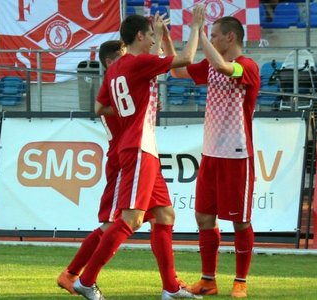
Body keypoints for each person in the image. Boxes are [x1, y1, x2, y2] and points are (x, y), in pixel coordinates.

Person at [72, 6, 206, 300]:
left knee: (164, 214)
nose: (150, 41)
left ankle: (170, 287)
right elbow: (185, 59)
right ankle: (86, 280)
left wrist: (159, 35)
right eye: (148, 36)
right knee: (130, 219)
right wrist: (196, 28)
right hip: (139, 146)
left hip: (140, 146)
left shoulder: (116, 69)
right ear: (138, 36)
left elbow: (100, 107)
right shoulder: (135, 63)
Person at [171, 16, 260, 298]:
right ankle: (208, 280)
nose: (213, 39)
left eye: (216, 35)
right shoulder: (210, 65)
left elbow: (223, 66)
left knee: (240, 221)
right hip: (210, 153)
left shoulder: (247, 66)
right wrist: (164, 38)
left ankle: (240, 281)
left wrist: (197, 31)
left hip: (237, 154)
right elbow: (177, 72)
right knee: (203, 216)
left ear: (230, 38)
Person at [56, 40, 126, 295]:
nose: (129, 60)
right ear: (110, 61)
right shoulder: (114, 84)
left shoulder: (117, 84)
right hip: (122, 159)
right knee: (111, 225)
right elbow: (109, 112)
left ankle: (171, 283)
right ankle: (74, 274)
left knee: (162, 218)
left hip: (127, 157)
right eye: (123, 56)